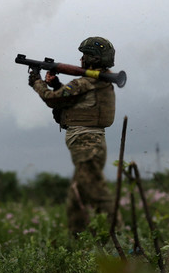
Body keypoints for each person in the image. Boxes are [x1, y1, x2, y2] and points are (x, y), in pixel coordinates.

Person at [27, 36, 117, 234]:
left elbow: (52, 99)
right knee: (77, 198)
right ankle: (78, 241)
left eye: (84, 55)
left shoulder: (85, 83)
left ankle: (118, 237)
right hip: (92, 142)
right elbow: (72, 101)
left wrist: (37, 83)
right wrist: (57, 84)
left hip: (86, 143)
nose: (81, 60)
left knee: (97, 192)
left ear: (93, 59)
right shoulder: (103, 81)